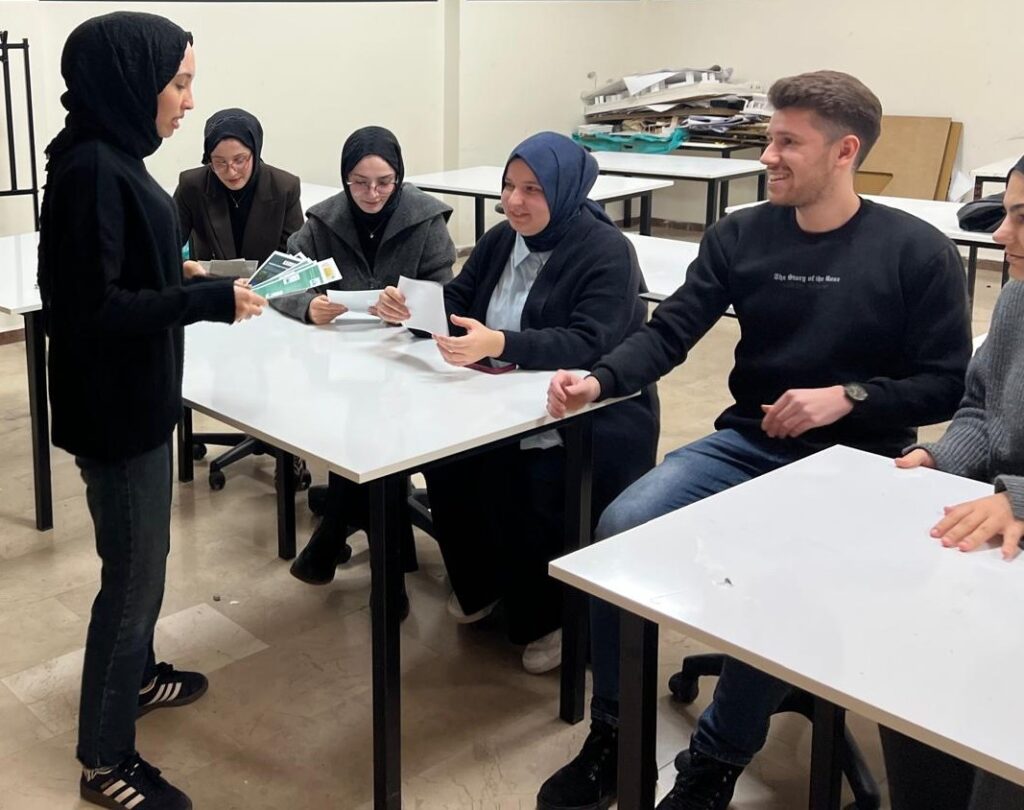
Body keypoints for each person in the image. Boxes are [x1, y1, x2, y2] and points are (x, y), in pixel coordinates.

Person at [538, 70, 972, 810]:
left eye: (787, 143)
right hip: (746, 445)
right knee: (621, 528)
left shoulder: (917, 252)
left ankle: (715, 760)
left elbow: (946, 385)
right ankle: (614, 731)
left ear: (845, 151)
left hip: (859, 463)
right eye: (770, 138)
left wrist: (848, 397)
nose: (767, 156)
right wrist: (600, 380)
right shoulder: (740, 234)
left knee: (786, 571)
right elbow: (672, 331)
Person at [37, 13, 265, 810]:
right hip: (117, 412)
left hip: (129, 401)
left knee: (141, 561)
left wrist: (179, 268)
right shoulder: (94, 169)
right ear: (133, 83)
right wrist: (205, 299)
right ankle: (104, 760)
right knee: (132, 581)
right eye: (179, 83)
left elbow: (113, 268)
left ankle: (135, 680)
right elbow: (92, 308)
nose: (189, 102)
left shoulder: (108, 154)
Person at [376, 131, 659, 674]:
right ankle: (482, 585)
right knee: (446, 461)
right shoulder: (502, 239)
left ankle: (547, 617)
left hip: (585, 411)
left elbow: (591, 340)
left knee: (520, 477)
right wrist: (411, 308)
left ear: (566, 190)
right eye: (508, 186)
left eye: (533, 189)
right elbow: (459, 299)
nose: (514, 201)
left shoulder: (606, 251)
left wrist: (501, 343)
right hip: (499, 397)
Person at [882, 156, 1024, 810]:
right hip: (999, 536)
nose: (1000, 234)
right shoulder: (1017, 299)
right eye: (1006, 213)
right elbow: (980, 408)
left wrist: (1018, 498)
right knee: (907, 655)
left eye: (1022, 218)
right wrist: (940, 459)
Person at [277, 126, 456, 613]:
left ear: (399, 177)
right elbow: (280, 281)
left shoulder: (426, 220)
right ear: (344, 178)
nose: (372, 193)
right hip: (342, 360)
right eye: (359, 182)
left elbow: (447, 294)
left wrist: (413, 309)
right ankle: (380, 564)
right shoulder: (323, 222)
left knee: (376, 435)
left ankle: (342, 538)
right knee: (356, 431)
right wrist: (307, 305)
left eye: (384, 182)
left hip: (409, 363)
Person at [175, 107, 302, 273]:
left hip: (266, 285)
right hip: (211, 284)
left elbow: (294, 257)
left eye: (240, 160)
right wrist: (184, 268)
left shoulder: (284, 187)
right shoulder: (192, 185)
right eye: (220, 162)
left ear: (255, 151)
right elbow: (165, 245)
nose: (231, 171)